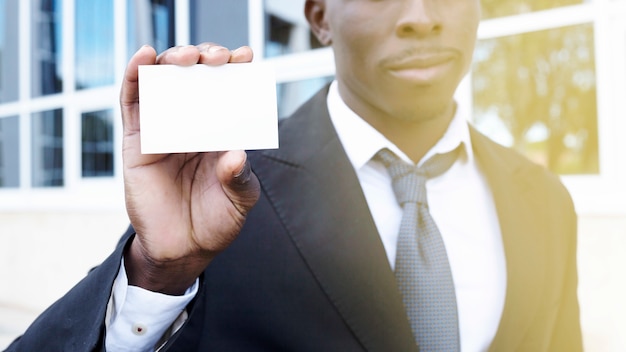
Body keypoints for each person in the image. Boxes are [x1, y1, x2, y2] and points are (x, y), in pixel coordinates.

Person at [6, 0, 582, 351]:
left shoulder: (546, 203)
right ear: (319, 16)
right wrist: (160, 272)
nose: (420, 18)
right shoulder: (227, 197)